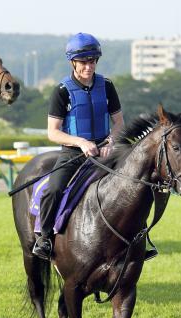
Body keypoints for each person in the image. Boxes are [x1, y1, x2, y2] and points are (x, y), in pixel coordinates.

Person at [33, 32, 124, 260]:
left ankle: (140, 239)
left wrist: (111, 141)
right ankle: (44, 237)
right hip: (73, 153)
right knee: (53, 189)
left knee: (134, 184)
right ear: (73, 62)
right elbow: (53, 132)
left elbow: (119, 123)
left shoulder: (108, 86)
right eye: (84, 62)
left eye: (92, 61)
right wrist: (81, 142)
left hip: (106, 151)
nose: (88, 66)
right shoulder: (61, 91)